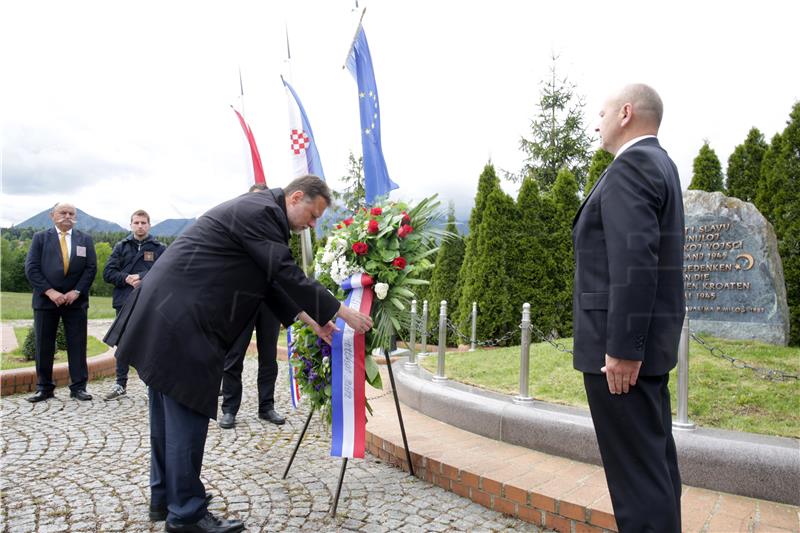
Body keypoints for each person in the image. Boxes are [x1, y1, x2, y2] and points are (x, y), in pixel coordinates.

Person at [104, 175, 372, 533]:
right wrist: (340, 310)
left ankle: (165, 499)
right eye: (313, 215)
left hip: (166, 316)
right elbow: (283, 272)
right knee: (186, 417)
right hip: (182, 322)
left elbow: (270, 285)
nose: (312, 225)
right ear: (295, 198)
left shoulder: (261, 216)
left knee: (167, 419)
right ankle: (186, 515)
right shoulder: (261, 212)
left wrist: (314, 321)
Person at [572, 84, 684, 533]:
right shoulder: (662, 163)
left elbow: (636, 263)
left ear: (625, 113)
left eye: (600, 114)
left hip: (618, 359)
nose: (596, 123)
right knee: (654, 471)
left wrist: (623, 350)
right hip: (642, 350)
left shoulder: (632, 166)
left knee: (637, 481)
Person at [219, 184, 285, 430]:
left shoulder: (274, 228)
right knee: (233, 356)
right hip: (241, 300)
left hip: (269, 301)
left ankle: (266, 406)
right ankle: (229, 409)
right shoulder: (237, 227)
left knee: (269, 357)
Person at [24, 202, 97, 402]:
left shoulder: (85, 240)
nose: (67, 216)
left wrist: (77, 291)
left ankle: (78, 387)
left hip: (76, 301)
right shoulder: (40, 238)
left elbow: (90, 269)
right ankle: (44, 387)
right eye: (62, 212)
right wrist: (50, 291)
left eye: (71, 213)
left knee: (77, 344)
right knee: (44, 344)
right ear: (52, 215)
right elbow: (31, 268)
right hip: (46, 301)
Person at [102, 209, 167, 400]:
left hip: (149, 301)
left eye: (143, 222)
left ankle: (153, 385)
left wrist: (141, 277)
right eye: (136, 222)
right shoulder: (121, 247)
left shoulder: (159, 248)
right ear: (131, 224)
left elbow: (166, 270)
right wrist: (126, 279)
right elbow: (108, 273)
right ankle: (120, 384)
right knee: (122, 342)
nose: (140, 226)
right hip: (124, 300)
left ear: (149, 224)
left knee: (151, 342)